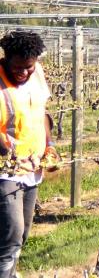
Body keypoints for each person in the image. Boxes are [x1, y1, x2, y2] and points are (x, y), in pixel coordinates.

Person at [0, 30, 57, 278]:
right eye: (17, 67)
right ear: (6, 58)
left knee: (22, 234)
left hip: (33, 169)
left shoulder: (38, 75)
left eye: (29, 67)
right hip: (6, 171)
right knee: (11, 234)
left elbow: (41, 112)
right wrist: (9, 154)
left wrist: (50, 146)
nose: (23, 73)